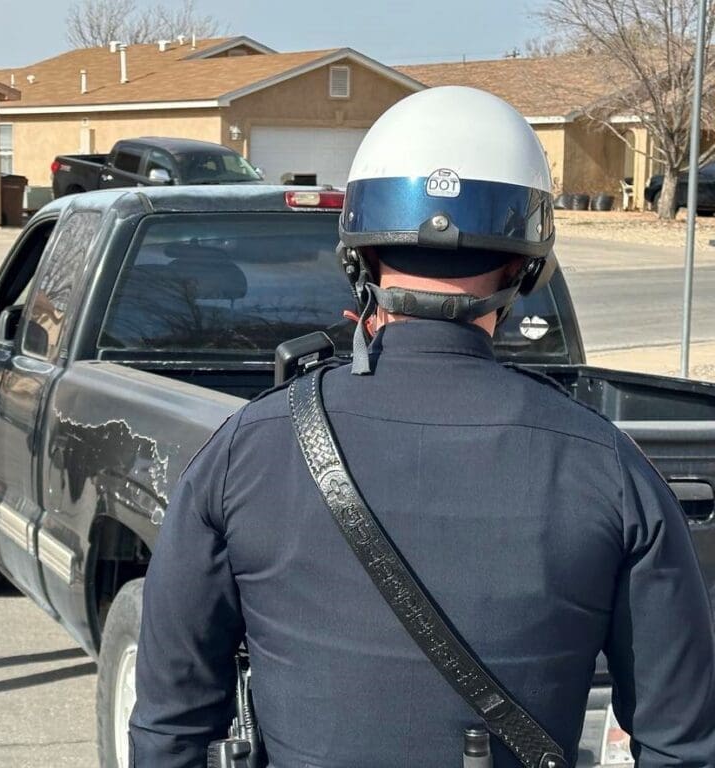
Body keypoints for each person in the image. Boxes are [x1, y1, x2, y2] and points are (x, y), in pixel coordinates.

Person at [130, 87, 715, 766]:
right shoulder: (608, 469)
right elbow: (681, 744)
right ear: (527, 266)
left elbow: (170, 729)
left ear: (358, 256)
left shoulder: (248, 452)